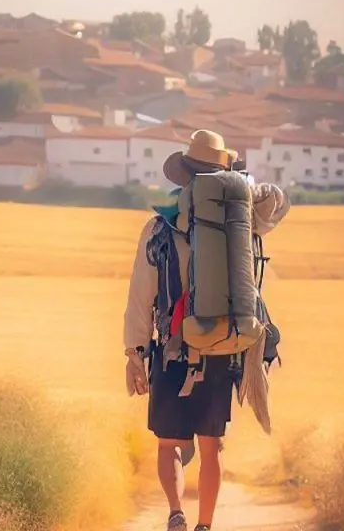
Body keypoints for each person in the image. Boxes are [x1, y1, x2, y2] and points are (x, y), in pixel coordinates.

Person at [123, 129, 290, 531]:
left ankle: (176, 514)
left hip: (172, 350)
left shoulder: (160, 227)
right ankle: (206, 526)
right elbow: (279, 202)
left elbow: (140, 295)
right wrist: (242, 188)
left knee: (169, 444)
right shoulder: (243, 222)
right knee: (211, 447)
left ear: (184, 175)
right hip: (224, 348)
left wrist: (135, 353)